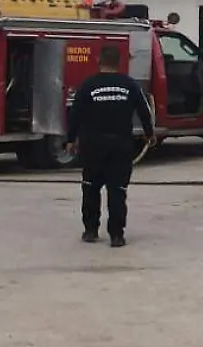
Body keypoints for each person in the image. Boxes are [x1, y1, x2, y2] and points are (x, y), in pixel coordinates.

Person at [66, 44, 155, 248]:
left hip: (93, 145)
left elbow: (75, 113)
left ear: (99, 61)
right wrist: (150, 134)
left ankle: (90, 230)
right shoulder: (130, 85)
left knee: (91, 187)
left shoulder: (88, 85)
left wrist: (70, 139)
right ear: (119, 62)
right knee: (117, 190)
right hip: (121, 145)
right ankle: (117, 235)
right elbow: (144, 110)